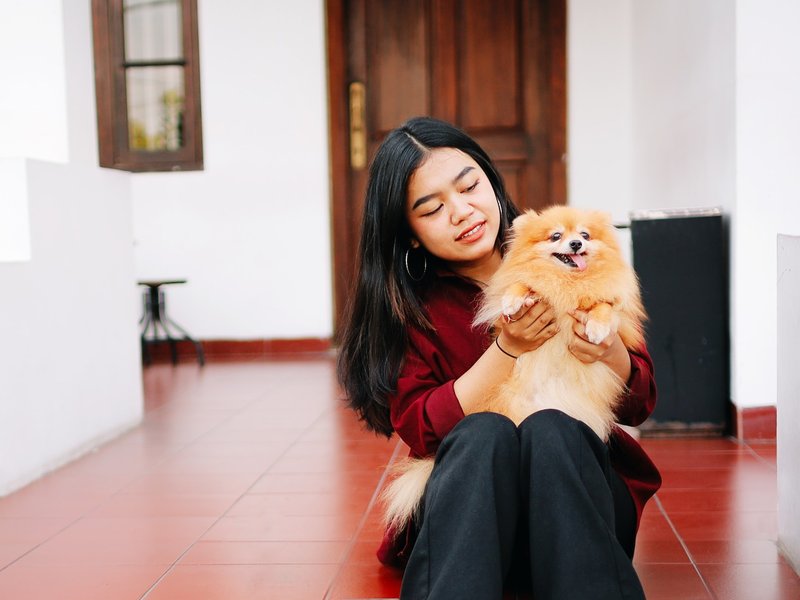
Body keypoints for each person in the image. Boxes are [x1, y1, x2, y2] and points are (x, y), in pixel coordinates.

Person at [336, 116, 661, 599]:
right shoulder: (412, 310)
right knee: (482, 432)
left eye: (469, 186)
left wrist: (609, 350)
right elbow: (421, 428)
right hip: (472, 522)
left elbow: (640, 403)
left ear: (490, 179)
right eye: (432, 209)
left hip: (574, 512)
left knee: (553, 429)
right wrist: (508, 349)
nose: (462, 212)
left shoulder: (572, 261)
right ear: (409, 233)